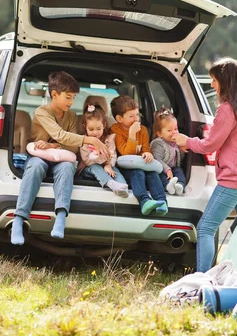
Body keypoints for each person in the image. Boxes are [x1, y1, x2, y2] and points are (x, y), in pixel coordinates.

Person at [173, 58, 237, 272]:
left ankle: (202, 278)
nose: (212, 85)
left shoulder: (228, 109)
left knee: (205, 228)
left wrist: (185, 141)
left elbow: (210, 145)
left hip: (234, 181)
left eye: (215, 80)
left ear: (226, 81)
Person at [10, 71, 108, 245]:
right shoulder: (42, 112)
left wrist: (51, 145)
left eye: (73, 98)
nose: (71, 102)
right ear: (54, 95)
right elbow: (60, 134)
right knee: (36, 167)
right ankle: (19, 218)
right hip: (39, 155)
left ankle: (61, 217)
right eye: (68, 98)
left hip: (62, 157)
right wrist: (88, 139)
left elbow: (71, 145)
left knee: (67, 167)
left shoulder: (71, 116)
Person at [110, 95, 168, 216]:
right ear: (119, 118)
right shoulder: (115, 130)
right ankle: (144, 201)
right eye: (131, 116)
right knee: (138, 172)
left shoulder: (143, 130)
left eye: (137, 115)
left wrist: (147, 153)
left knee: (152, 173)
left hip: (141, 164)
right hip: (124, 168)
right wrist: (131, 134)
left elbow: (145, 148)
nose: (136, 119)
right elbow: (125, 153)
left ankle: (162, 201)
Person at [78, 102, 129, 197]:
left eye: (98, 128)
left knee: (115, 171)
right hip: (89, 168)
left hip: (107, 166)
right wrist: (105, 163)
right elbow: (87, 161)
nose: (95, 133)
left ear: (104, 125)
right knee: (95, 167)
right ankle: (111, 183)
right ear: (85, 127)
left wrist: (109, 165)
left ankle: (123, 187)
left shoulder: (109, 139)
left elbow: (113, 155)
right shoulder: (84, 141)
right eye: (91, 129)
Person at [150, 106, 186, 195]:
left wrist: (181, 148)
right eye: (169, 130)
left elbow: (180, 159)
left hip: (173, 168)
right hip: (161, 169)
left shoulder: (176, 142)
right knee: (160, 176)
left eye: (176, 129)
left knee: (179, 171)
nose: (174, 132)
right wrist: (167, 169)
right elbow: (157, 159)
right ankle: (168, 187)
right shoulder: (158, 143)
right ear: (159, 133)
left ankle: (180, 185)